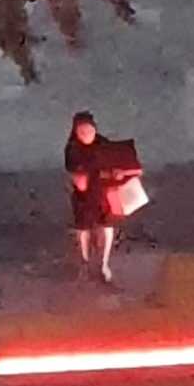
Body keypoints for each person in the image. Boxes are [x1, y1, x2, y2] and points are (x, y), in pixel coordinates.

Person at [64, 110, 130, 283]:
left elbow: (120, 162)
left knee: (107, 226)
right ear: (76, 132)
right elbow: (74, 173)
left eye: (90, 130)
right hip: (83, 195)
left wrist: (118, 172)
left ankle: (104, 263)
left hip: (103, 192)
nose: (87, 134)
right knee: (83, 228)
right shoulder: (72, 149)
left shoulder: (103, 144)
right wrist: (80, 177)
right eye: (82, 131)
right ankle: (85, 262)